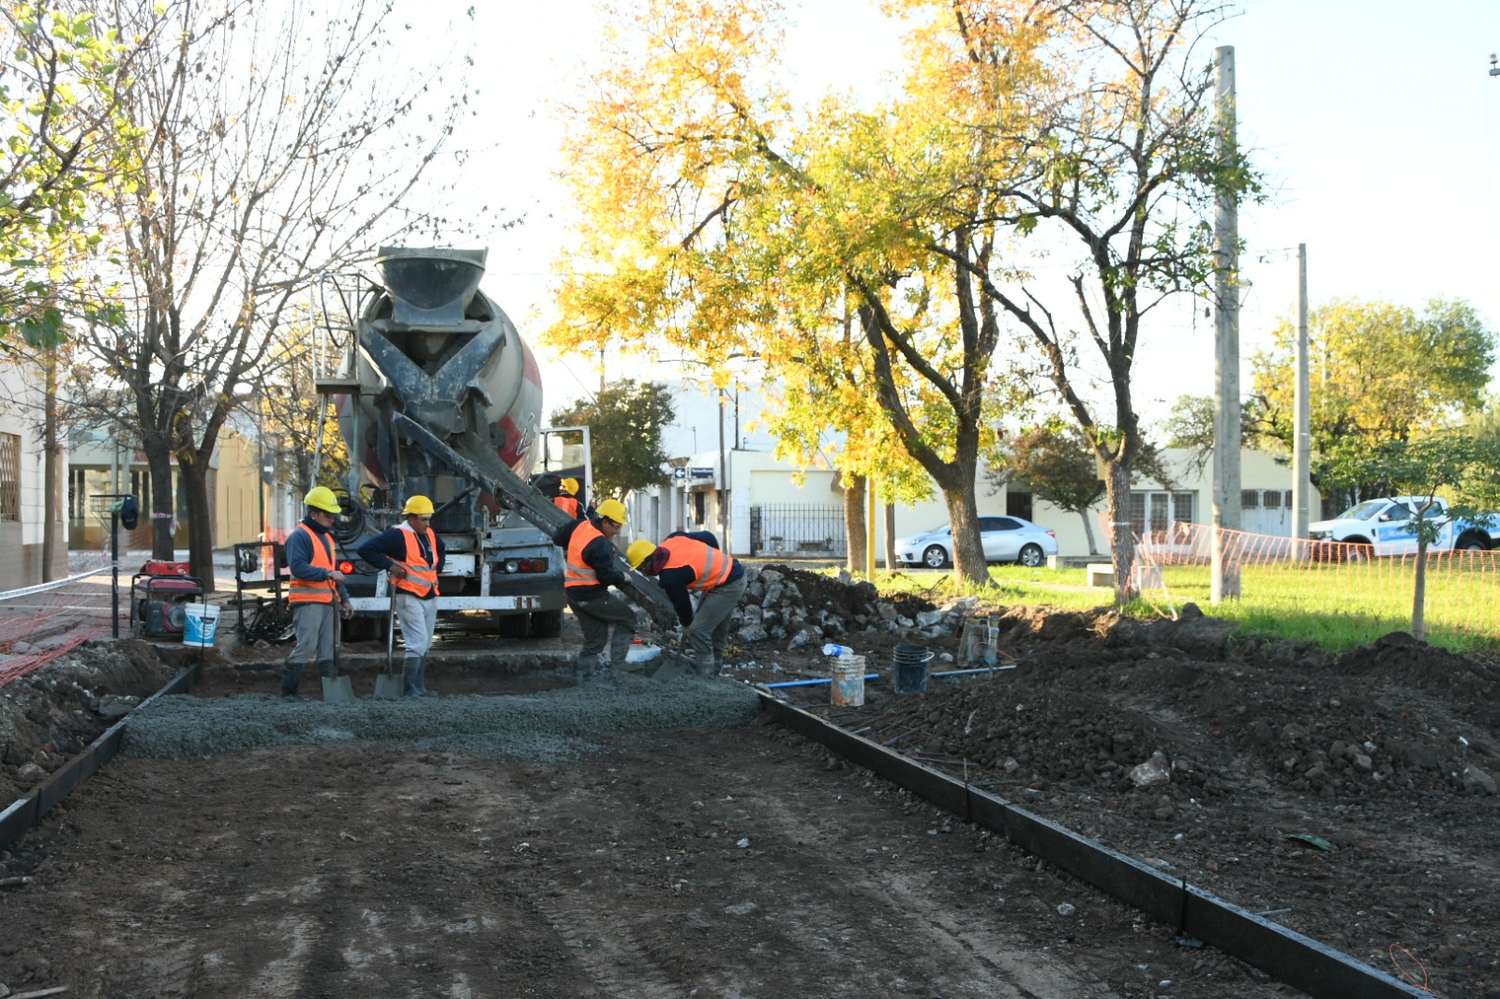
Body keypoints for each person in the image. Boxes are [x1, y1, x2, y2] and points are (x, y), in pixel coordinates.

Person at [356, 495, 446, 696]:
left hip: (429, 593)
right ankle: (410, 689)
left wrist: (436, 570)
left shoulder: (429, 533)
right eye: (423, 519)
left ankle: (419, 687)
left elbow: (441, 549)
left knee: (426, 643)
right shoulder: (397, 535)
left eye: (429, 518)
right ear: (412, 518)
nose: (427, 523)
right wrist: (391, 566)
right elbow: (366, 550)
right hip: (408, 595)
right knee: (417, 642)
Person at [627, 529, 745, 677]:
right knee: (713, 628)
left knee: (698, 631)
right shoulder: (671, 539)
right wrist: (714, 562)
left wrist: (687, 625)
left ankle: (706, 678)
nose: (643, 573)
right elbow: (708, 536)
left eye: (640, 569)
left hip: (730, 585)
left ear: (647, 563)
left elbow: (683, 606)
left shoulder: (670, 577)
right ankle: (715, 672)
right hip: (725, 575)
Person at [281, 486, 352, 697]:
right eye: (328, 515)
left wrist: (345, 599)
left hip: (329, 602)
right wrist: (328, 574)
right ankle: (289, 694)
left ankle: (329, 693)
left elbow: (334, 571)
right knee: (306, 646)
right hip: (308, 602)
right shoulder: (300, 537)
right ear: (314, 514)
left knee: (329, 649)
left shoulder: (327, 538)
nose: (333, 519)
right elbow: (298, 567)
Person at [556, 498, 635, 685]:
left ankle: (583, 678)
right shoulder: (600, 544)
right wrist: (622, 577)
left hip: (573, 595)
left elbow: (557, 537)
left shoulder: (580, 526)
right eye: (615, 526)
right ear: (605, 521)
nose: (616, 532)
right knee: (628, 618)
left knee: (596, 640)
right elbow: (606, 577)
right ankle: (618, 667)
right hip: (591, 595)